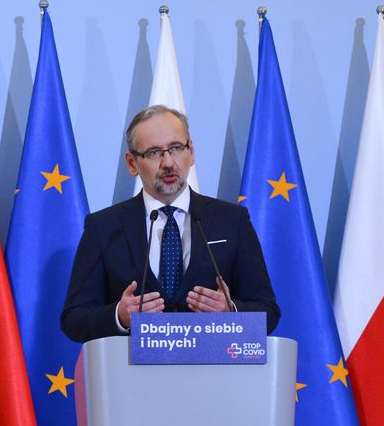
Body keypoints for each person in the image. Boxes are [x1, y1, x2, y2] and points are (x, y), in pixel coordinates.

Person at [60, 105, 278, 342]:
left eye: (176, 148)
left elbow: (268, 312)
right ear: (132, 163)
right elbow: (74, 319)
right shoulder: (103, 227)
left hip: (213, 373)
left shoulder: (232, 220)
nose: (168, 162)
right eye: (154, 152)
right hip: (132, 375)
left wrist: (231, 312)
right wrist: (120, 316)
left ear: (191, 152)